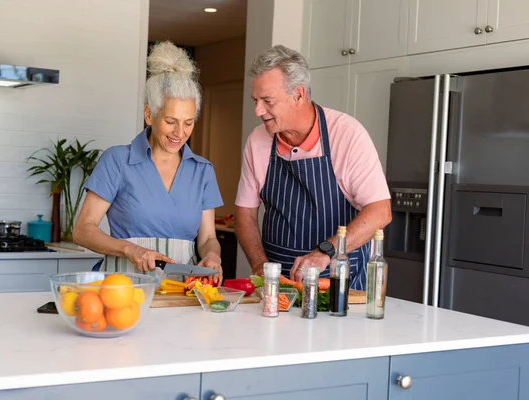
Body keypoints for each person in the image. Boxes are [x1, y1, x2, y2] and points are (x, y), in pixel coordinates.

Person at [234, 45, 392, 290]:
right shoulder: (258, 141)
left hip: (338, 283)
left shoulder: (347, 134)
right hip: (278, 288)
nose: (258, 110)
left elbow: (380, 211)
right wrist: (260, 267)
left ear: (298, 95)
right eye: (256, 100)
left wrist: (325, 252)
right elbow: (245, 214)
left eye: (267, 101)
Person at [73, 41, 224, 283]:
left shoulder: (203, 170)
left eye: (188, 122)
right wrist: (130, 250)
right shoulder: (118, 160)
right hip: (123, 288)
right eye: (171, 121)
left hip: (182, 291)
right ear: (149, 115)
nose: (180, 132)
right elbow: (82, 230)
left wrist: (213, 257)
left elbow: (207, 239)